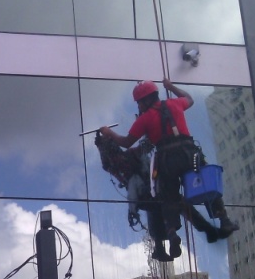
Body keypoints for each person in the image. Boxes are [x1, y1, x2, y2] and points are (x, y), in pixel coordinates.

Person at [100, 78, 238, 259]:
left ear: (144, 101)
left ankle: (172, 234)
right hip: (189, 153)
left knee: (169, 198)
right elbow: (189, 98)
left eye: (139, 103)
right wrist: (171, 87)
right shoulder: (175, 104)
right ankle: (224, 220)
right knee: (207, 185)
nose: (139, 107)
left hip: (167, 159)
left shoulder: (145, 119)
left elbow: (127, 142)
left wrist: (109, 133)